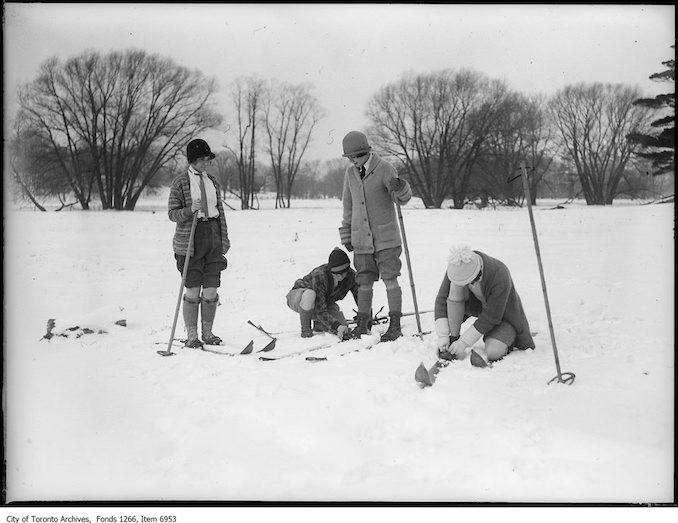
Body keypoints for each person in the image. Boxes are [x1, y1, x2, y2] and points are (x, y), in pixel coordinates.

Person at [339, 130, 412, 342]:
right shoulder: (350, 174)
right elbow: (348, 206)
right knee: (364, 281)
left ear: (367, 152)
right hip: (361, 239)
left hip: (386, 238)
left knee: (390, 278)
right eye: (350, 158)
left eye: (357, 157)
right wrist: (346, 233)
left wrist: (401, 188)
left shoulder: (385, 168)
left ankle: (395, 324)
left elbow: (402, 198)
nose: (354, 161)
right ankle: (363, 323)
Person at [168, 138, 230, 348]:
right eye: (203, 159)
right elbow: (172, 214)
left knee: (211, 289)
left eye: (208, 159)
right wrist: (189, 210)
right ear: (193, 160)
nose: (207, 163)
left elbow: (220, 213)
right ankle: (192, 336)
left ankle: (208, 333)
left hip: (212, 236)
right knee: (193, 290)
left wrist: (224, 238)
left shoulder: (212, 181)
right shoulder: (180, 182)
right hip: (190, 241)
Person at [434, 245, 535, 366]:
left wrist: (464, 342)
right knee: (454, 287)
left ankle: (505, 338)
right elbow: (442, 301)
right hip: (477, 309)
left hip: (501, 316)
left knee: (493, 352)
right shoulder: (458, 266)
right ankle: (454, 337)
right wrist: (444, 336)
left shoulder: (499, 273)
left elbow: (492, 316)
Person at [286, 247, 359, 340]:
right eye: (336, 274)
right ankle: (306, 330)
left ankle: (319, 325)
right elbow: (320, 311)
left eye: (343, 273)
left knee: (343, 327)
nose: (340, 276)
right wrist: (336, 326)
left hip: (323, 303)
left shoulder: (351, 276)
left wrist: (364, 323)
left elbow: (361, 298)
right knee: (310, 295)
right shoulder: (319, 275)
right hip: (300, 297)